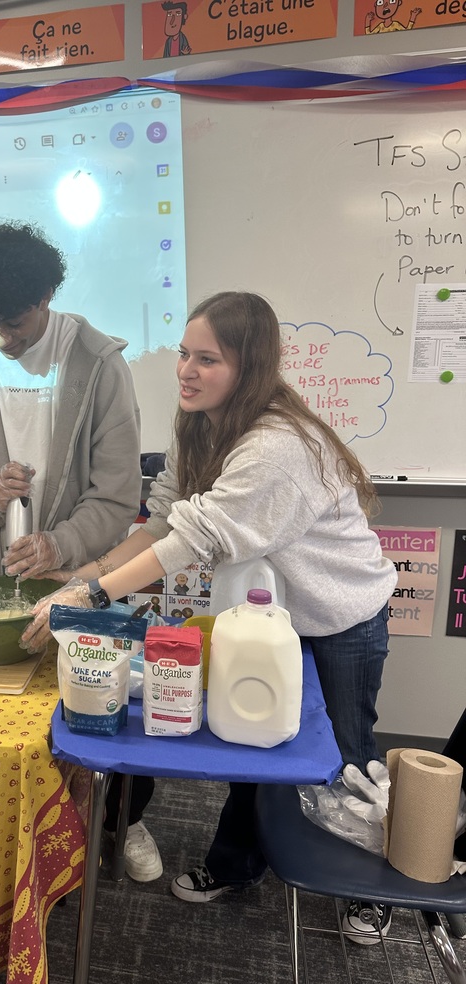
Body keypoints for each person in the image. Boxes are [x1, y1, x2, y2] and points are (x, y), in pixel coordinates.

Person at [22, 290, 397, 942]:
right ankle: (237, 864)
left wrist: (92, 595)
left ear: (249, 368)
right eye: (184, 355)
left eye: (209, 360)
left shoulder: (279, 445)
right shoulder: (202, 421)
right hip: (266, 623)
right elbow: (167, 519)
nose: (187, 372)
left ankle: (366, 890)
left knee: (347, 758)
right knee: (255, 742)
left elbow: (193, 541)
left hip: (339, 619)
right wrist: (84, 580)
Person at [0, 221, 162, 882]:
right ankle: (22, 843)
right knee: (13, 721)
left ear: (49, 293)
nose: (2, 337)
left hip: (89, 574)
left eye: (15, 322)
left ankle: (127, 817)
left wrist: (61, 546)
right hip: (5, 581)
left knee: (107, 705)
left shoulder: (96, 361)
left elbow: (117, 494)